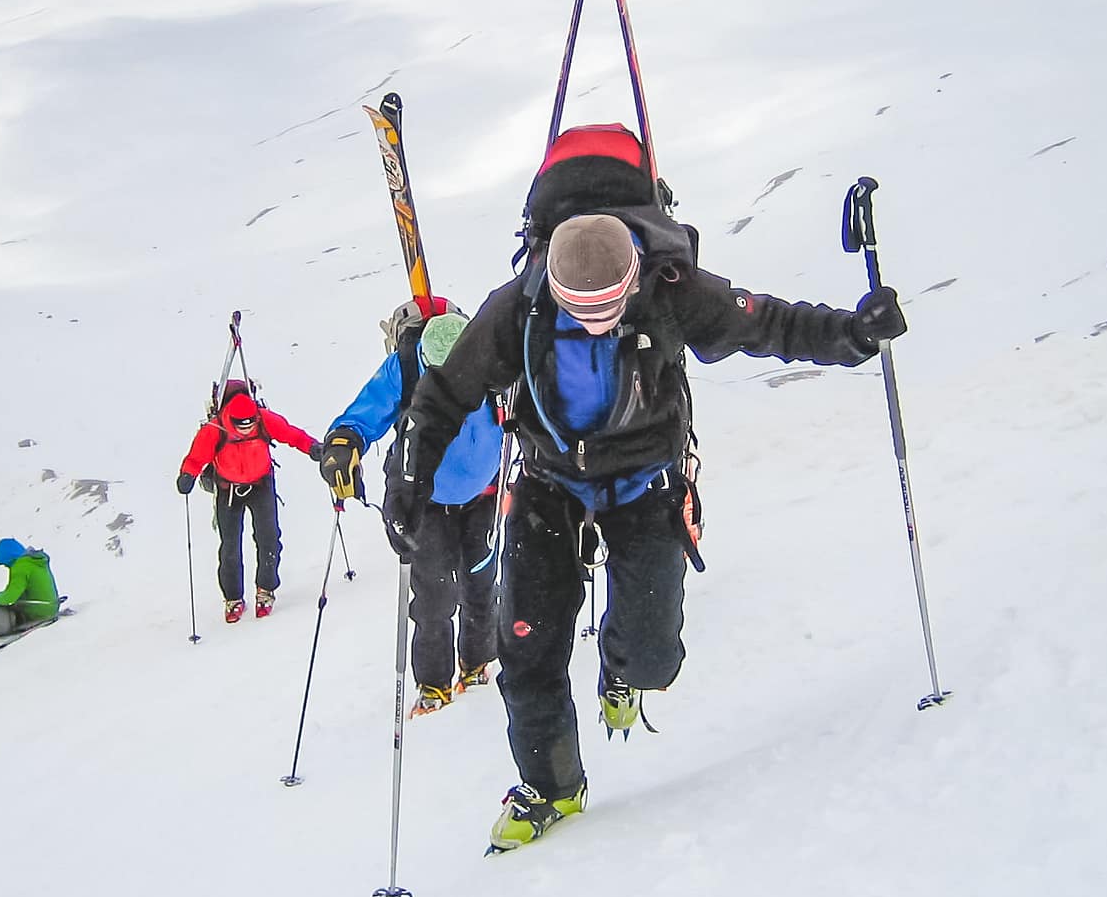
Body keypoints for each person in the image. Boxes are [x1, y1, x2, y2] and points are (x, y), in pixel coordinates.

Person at [391, 133, 909, 851]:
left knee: (655, 656)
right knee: (526, 648)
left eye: (611, 309)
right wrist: (410, 476)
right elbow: (444, 394)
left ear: (636, 275)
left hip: (644, 479)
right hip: (547, 481)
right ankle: (551, 786)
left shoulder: (674, 289)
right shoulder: (519, 308)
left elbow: (771, 323)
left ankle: (624, 670)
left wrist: (853, 334)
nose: (598, 322)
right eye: (583, 312)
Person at [320, 302, 503, 716]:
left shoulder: (491, 362)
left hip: (483, 494)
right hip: (425, 501)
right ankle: (434, 683)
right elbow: (364, 415)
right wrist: (344, 443)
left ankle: (477, 662)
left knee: (481, 583)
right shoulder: (403, 369)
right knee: (435, 595)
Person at [176, 378, 318, 622]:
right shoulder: (215, 429)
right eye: (240, 426)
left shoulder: (263, 419)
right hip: (227, 489)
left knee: (269, 538)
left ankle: (266, 589)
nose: (246, 429)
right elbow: (196, 457)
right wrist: (187, 475)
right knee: (229, 547)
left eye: (249, 425)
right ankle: (233, 597)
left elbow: (291, 434)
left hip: (260, 485)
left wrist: (314, 447)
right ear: (231, 420)